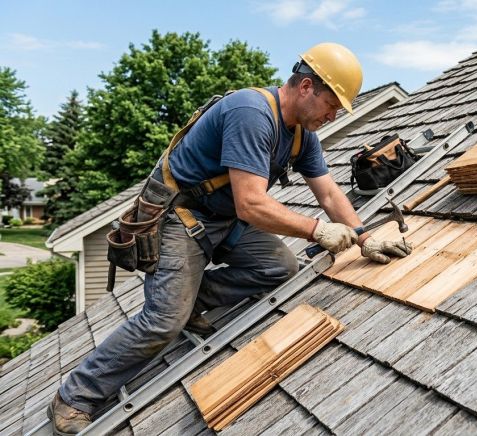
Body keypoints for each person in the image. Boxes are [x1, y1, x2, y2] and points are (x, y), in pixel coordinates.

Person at [48, 42, 412, 434]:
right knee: (163, 321)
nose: (333, 115)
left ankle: (192, 300)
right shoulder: (251, 113)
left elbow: (328, 193)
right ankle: (75, 396)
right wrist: (317, 230)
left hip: (224, 219)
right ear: (307, 86)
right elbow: (251, 204)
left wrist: (363, 237)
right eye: (331, 104)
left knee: (280, 266)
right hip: (180, 218)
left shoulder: (300, 136)